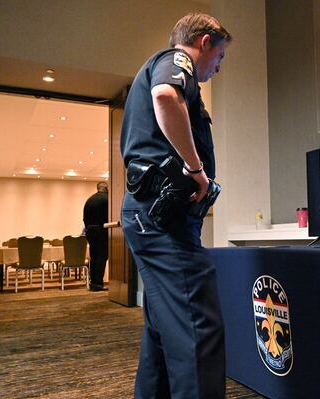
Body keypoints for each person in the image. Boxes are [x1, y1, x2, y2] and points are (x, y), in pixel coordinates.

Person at [119, 13, 231, 399]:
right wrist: (196, 169)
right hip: (163, 219)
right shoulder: (175, 60)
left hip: (152, 214)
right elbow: (166, 96)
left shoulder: (164, 66)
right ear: (204, 42)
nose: (218, 66)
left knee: (164, 326)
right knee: (197, 323)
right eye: (220, 56)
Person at [83, 181, 109, 291]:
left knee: (93, 257)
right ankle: (98, 283)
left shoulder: (89, 200)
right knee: (102, 257)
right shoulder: (108, 199)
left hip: (90, 230)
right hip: (102, 230)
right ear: (106, 188)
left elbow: (84, 218)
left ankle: (93, 282)